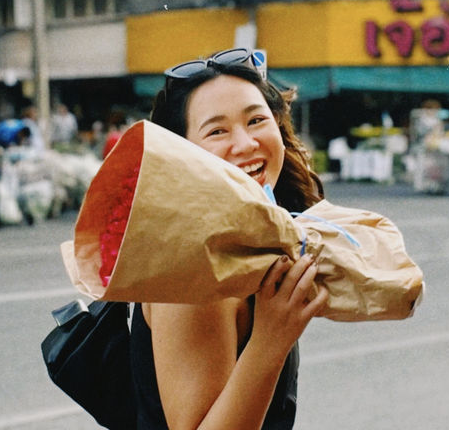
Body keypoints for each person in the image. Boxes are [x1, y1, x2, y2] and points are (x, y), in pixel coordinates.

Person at [130, 48, 330, 429]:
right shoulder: (194, 267)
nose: (246, 144)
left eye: (256, 120)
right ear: (182, 155)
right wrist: (270, 340)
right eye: (217, 130)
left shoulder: (245, 242)